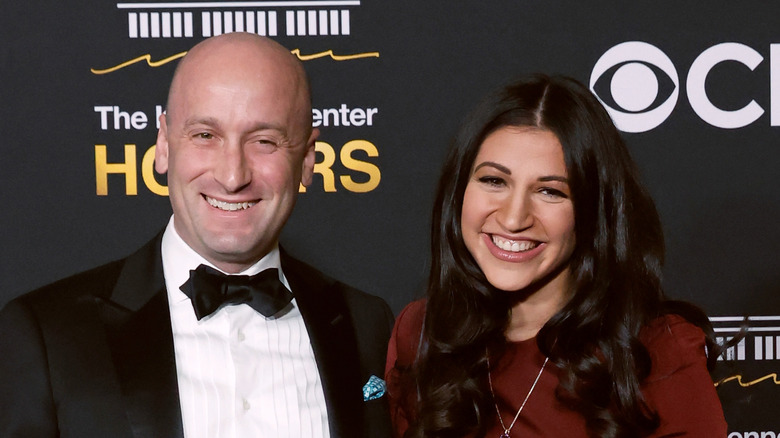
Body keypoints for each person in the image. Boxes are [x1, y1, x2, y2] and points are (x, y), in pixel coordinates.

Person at [0, 33, 393, 438]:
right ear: (163, 144)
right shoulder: (49, 334)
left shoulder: (365, 324)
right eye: (206, 135)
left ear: (308, 158)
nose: (232, 176)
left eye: (264, 141)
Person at [386, 74, 727, 438]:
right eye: (494, 181)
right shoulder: (422, 333)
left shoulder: (657, 351)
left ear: (593, 211)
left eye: (550, 191)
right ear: (458, 192)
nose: (514, 219)